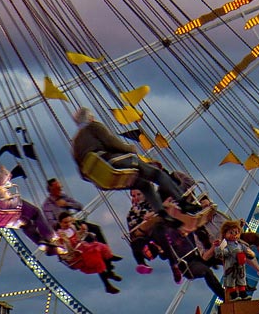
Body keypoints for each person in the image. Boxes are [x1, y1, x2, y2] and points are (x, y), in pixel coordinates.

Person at [70, 107, 199, 217]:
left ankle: (162, 214)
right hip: (112, 163)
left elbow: (82, 174)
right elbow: (112, 143)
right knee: (157, 174)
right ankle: (182, 202)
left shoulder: (75, 144)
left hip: (101, 181)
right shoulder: (94, 127)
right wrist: (130, 148)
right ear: (90, 118)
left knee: (144, 185)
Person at [53, 212, 122, 294]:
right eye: (65, 222)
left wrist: (82, 231)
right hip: (75, 255)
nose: (68, 224)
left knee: (98, 249)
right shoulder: (60, 235)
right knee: (95, 257)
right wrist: (66, 240)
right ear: (60, 223)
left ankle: (109, 273)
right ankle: (108, 280)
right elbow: (66, 248)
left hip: (82, 248)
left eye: (69, 222)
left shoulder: (71, 228)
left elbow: (78, 238)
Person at [212, 219, 259, 300]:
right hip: (231, 266)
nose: (234, 235)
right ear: (225, 234)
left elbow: (247, 251)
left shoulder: (240, 245)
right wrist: (219, 248)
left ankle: (243, 294)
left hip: (240, 266)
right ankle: (233, 295)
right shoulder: (226, 246)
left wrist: (251, 254)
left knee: (241, 280)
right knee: (231, 281)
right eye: (231, 233)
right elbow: (221, 254)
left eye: (236, 232)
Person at [42, 177, 107, 245]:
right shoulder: (47, 205)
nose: (60, 189)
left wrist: (67, 204)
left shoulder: (64, 196)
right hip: (64, 229)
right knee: (87, 238)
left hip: (73, 222)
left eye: (60, 187)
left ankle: (107, 251)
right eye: (58, 188)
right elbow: (52, 222)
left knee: (96, 229)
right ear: (51, 189)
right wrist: (64, 223)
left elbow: (79, 206)